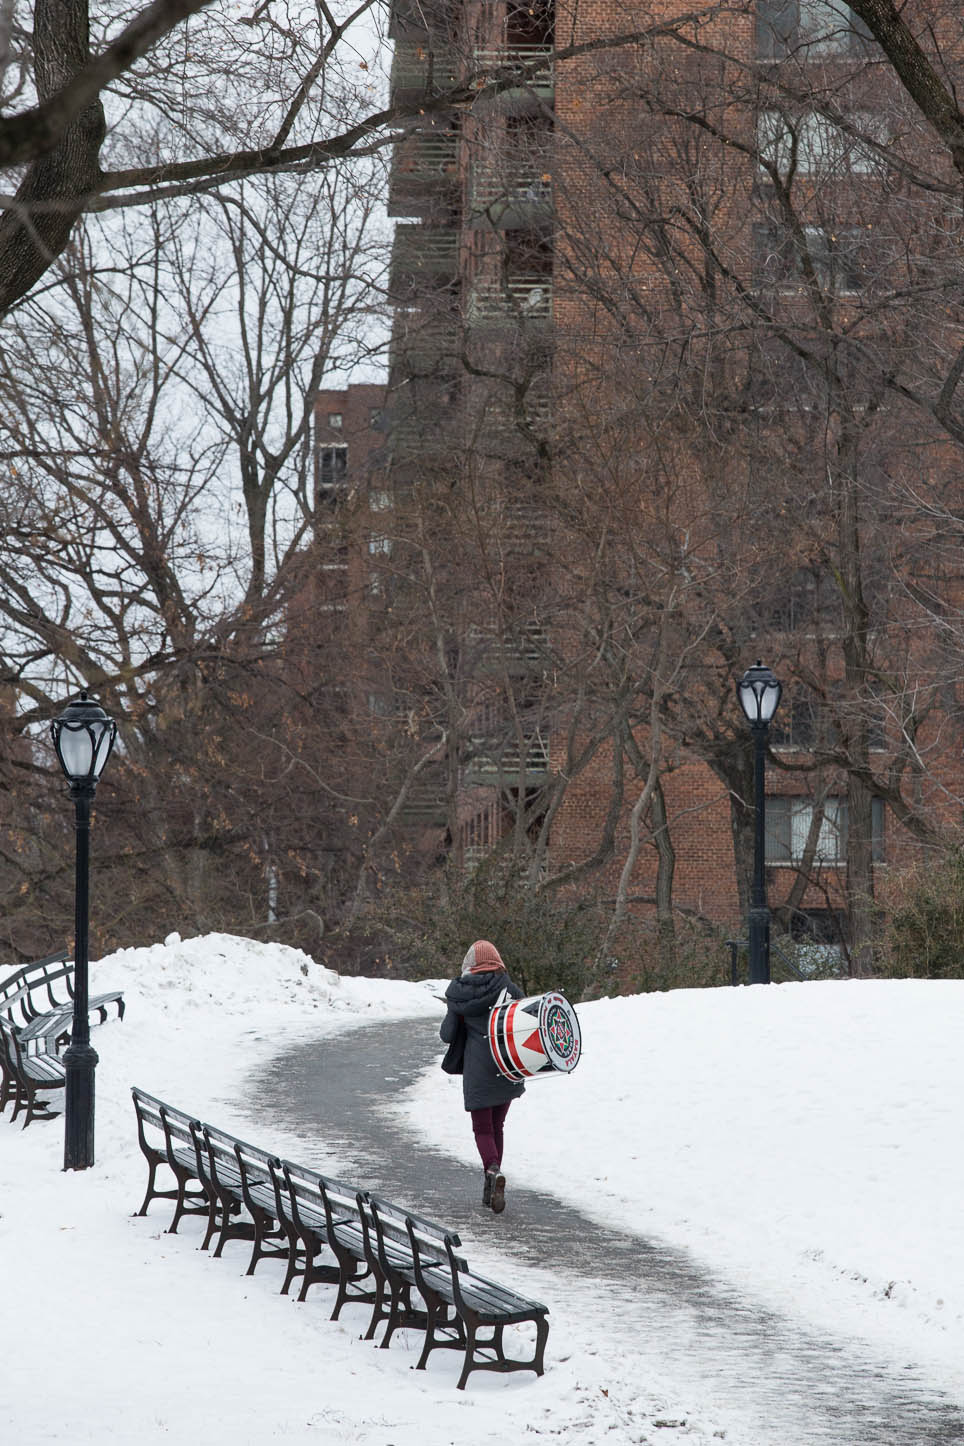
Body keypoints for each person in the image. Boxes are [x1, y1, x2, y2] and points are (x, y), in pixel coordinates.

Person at [439, 939, 525, 1214]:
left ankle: (492, 1170)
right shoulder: (509, 988)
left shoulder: (459, 994)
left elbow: (446, 1035)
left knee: (482, 1129)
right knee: (497, 1126)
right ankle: (492, 1183)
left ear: (470, 965)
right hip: (508, 1065)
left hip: (478, 1072)